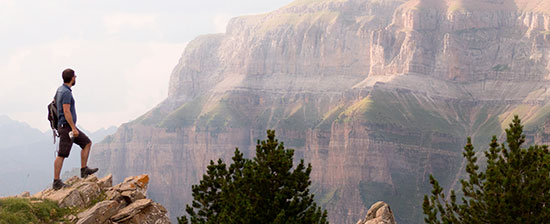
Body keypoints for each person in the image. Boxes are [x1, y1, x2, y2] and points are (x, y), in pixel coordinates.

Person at [52, 68, 98, 190]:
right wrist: (73, 127)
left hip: (65, 126)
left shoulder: (60, 90)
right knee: (61, 154)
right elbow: (66, 111)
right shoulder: (66, 92)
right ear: (72, 78)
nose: (75, 78)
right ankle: (56, 181)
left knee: (87, 143)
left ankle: (84, 170)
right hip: (67, 128)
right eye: (75, 76)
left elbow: (53, 103)